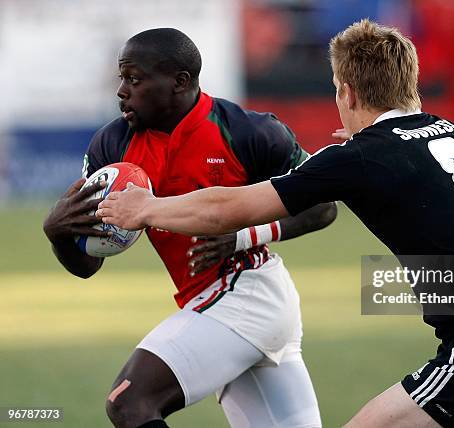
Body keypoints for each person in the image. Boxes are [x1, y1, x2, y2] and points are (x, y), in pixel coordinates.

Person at [97, 20, 454, 428]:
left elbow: (230, 209)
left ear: (349, 93)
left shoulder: (359, 155)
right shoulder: (450, 133)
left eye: (338, 92)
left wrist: (145, 209)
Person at [43, 28, 336, 428]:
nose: (121, 91)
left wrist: (242, 236)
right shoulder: (112, 146)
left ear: (179, 82)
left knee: (130, 403)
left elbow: (323, 207)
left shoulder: (248, 131)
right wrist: (59, 233)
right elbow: (86, 266)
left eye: (134, 78)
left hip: (248, 294)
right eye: (121, 78)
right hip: (219, 302)